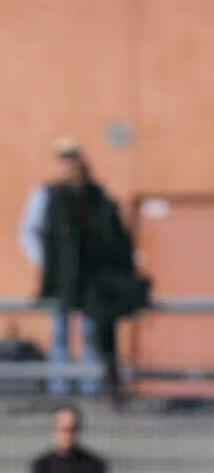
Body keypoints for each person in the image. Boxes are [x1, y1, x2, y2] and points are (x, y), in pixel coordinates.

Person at [19, 139, 144, 400]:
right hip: (62, 280)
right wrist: (48, 264)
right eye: (65, 159)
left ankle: (90, 388)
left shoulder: (98, 196)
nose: (70, 166)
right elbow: (31, 233)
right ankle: (61, 389)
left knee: (90, 333)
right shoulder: (48, 195)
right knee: (60, 335)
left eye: (73, 159)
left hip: (91, 282)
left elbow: (112, 237)